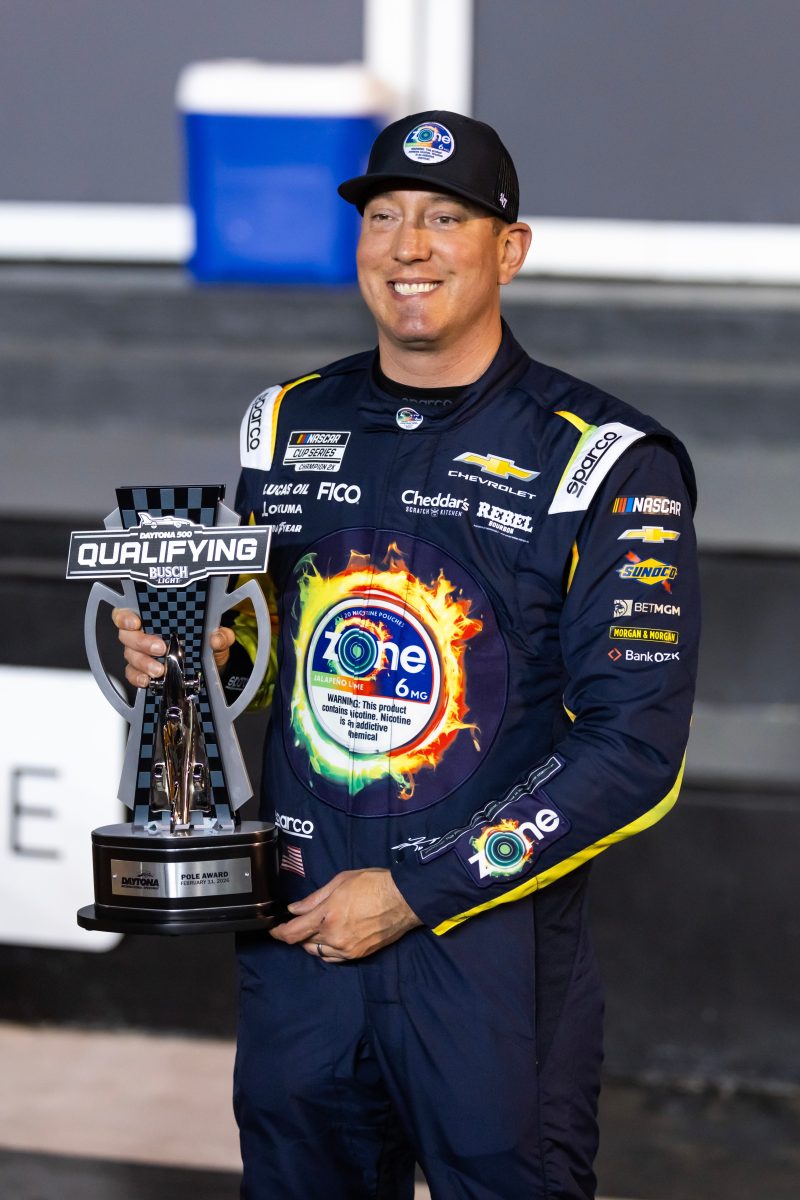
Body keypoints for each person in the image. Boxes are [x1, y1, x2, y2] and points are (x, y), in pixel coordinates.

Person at [114, 111, 699, 1199]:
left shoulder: (604, 459)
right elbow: (262, 654)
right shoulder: (285, 422)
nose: (407, 247)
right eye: (382, 217)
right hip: (299, 937)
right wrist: (182, 654)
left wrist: (419, 891)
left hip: (484, 961)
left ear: (508, 250)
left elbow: (636, 751)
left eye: (444, 218)